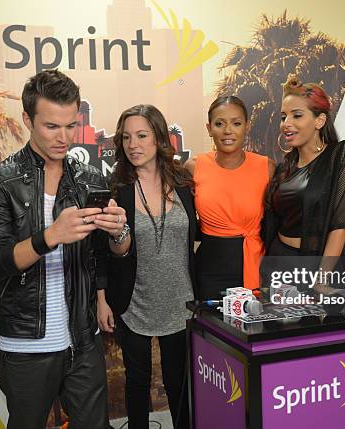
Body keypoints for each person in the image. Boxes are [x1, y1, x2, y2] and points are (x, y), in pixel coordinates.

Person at [0, 69, 133, 429]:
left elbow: (111, 254)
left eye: (70, 125)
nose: (64, 138)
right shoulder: (0, 181)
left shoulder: (89, 178)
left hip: (83, 337)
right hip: (27, 343)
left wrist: (119, 232)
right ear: (28, 120)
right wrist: (51, 236)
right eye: (51, 127)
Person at [97, 104, 196, 429]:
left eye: (141, 135)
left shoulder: (184, 183)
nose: (133, 144)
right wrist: (102, 299)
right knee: (137, 383)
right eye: (126, 137)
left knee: (179, 384)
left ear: (159, 138)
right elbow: (100, 249)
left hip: (181, 302)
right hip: (132, 302)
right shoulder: (117, 189)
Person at [263, 74, 345, 297]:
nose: (286, 124)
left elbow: (341, 224)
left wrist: (322, 280)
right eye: (284, 117)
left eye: (297, 115)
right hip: (278, 266)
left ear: (320, 120)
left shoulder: (342, 155)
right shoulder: (284, 169)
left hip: (317, 267)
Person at [185, 96, 275, 299]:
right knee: (210, 329)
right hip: (209, 269)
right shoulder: (193, 167)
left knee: (255, 328)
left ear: (247, 126)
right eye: (219, 124)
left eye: (236, 123)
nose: (227, 131)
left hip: (256, 265)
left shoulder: (266, 167)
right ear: (209, 128)